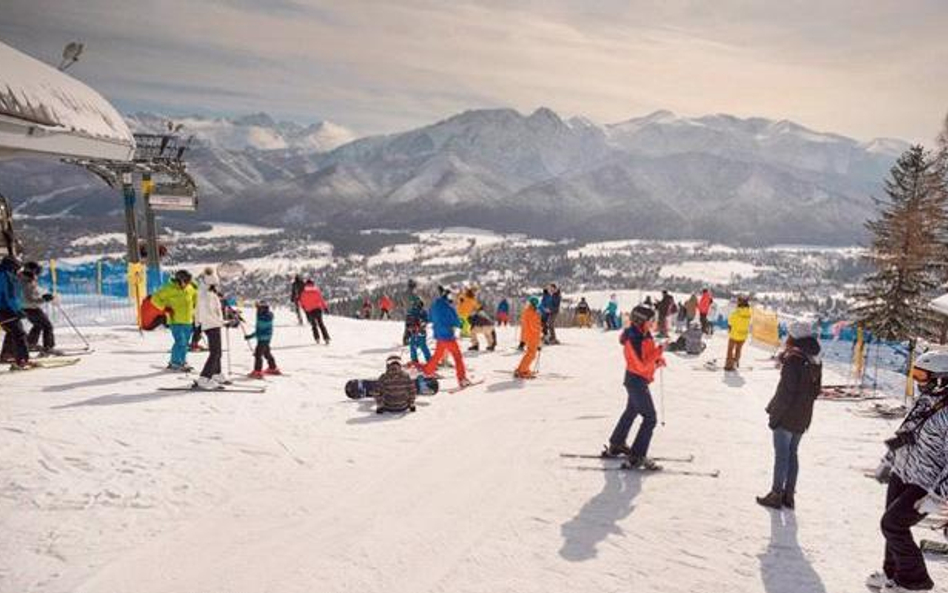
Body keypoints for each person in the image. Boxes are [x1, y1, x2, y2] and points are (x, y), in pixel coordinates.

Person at [867, 351, 948, 592]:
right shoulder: (924, 401)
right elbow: (905, 434)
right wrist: (888, 460)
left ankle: (914, 581)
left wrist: (937, 496)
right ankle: (893, 573)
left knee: (893, 525)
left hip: (924, 484)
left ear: (942, 379)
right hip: (902, 472)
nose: (917, 380)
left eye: (922, 375)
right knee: (890, 525)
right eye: (914, 374)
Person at [756, 322, 821, 510]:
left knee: (782, 455)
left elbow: (786, 392)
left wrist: (775, 415)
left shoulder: (794, 359)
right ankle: (788, 495)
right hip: (803, 416)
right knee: (792, 454)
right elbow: (816, 391)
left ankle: (776, 493)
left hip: (787, 415)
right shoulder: (815, 358)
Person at [605, 305, 666, 469]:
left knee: (631, 411)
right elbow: (640, 365)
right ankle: (637, 456)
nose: (654, 323)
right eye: (651, 320)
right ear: (642, 321)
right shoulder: (634, 339)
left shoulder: (643, 334)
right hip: (636, 381)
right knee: (650, 418)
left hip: (638, 380)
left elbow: (646, 359)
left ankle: (617, 444)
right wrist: (659, 352)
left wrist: (657, 361)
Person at [422, 286, 471, 388]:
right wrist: (460, 324)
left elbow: (430, 318)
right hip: (448, 336)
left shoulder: (434, 306)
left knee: (437, 356)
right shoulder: (449, 308)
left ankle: (427, 372)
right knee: (457, 357)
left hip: (439, 336)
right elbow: (457, 322)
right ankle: (462, 379)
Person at [151, 270, 197, 371]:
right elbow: (154, 298)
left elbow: (196, 297)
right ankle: (175, 362)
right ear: (179, 280)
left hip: (188, 320)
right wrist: (164, 308)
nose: (187, 284)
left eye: (188, 282)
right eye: (186, 281)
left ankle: (182, 361)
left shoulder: (190, 288)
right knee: (180, 341)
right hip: (175, 320)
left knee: (185, 343)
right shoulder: (168, 288)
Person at [192, 268, 225, 389]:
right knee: (215, 352)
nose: (216, 287)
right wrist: (223, 322)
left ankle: (216, 373)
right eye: (215, 285)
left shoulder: (209, 293)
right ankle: (204, 378)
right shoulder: (205, 295)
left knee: (218, 352)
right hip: (210, 325)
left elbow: (216, 311)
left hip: (213, 325)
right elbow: (207, 314)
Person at [0, 255, 30, 369]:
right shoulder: (5, 275)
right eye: (18, 267)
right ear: (13, 265)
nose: (18, 270)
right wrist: (17, 310)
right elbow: (9, 296)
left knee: (12, 331)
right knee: (20, 334)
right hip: (5, 309)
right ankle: (22, 361)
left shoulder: (5, 274)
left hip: (5, 309)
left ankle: (7, 355)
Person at [20, 262, 56, 355]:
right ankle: (48, 347)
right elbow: (28, 300)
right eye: (38, 271)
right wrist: (43, 299)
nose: (38, 274)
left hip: (28, 308)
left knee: (38, 325)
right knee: (47, 326)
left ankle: (30, 344)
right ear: (32, 270)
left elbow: (34, 291)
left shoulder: (27, 279)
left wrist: (45, 295)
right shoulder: (25, 281)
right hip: (30, 308)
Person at [245, 301, 280, 379]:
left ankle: (257, 371)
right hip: (267, 338)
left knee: (258, 354)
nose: (257, 310)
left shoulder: (261, 317)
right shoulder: (267, 315)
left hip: (262, 338)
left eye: (259, 308)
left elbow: (259, 331)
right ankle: (272, 367)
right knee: (266, 352)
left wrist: (250, 336)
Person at [515, 296, 542, 379]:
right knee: (531, 354)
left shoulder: (528, 311)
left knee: (529, 353)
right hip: (532, 336)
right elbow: (534, 326)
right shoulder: (532, 313)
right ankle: (522, 370)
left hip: (529, 335)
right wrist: (542, 328)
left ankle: (522, 368)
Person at [724, 296, 752, 371]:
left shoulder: (736, 312)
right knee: (738, 349)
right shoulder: (749, 313)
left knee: (730, 349)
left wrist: (730, 328)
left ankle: (729, 365)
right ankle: (736, 362)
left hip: (734, 334)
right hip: (743, 335)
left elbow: (730, 322)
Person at [299, 279, 330, 344]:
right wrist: (325, 308)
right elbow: (321, 300)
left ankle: (317, 338)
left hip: (310, 311)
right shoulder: (316, 291)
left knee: (313, 325)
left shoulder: (303, 293)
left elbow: (301, 302)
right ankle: (326, 338)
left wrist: (304, 308)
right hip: (318, 309)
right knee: (321, 324)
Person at [405, 294, 431, 367]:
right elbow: (407, 321)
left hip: (421, 332)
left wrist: (421, 323)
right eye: (414, 303)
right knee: (412, 346)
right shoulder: (411, 311)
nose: (416, 305)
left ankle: (429, 361)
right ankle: (414, 360)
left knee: (423, 346)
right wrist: (409, 328)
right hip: (413, 332)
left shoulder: (422, 311)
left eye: (417, 303)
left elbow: (426, 320)